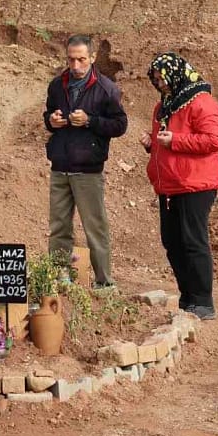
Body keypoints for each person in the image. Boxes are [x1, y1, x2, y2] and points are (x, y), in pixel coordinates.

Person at [140, 52, 218, 320]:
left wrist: (174, 140)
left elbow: (213, 140)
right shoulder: (164, 105)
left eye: (162, 78)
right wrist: (152, 144)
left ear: (176, 74)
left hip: (195, 184)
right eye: (156, 79)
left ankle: (203, 301)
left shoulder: (202, 102)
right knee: (172, 241)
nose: (160, 83)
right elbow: (166, 142)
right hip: (170, 185)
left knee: (193, 241)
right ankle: (188, 298)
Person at [44, 35, 128, 288]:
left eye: (81, 59)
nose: (76, 65)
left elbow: (120, 125)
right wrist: (52, 121)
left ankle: (104, 283)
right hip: (60, 166)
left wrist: (90, 121)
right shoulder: (57, 85)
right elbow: (47, 115)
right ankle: (60, 279)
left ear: (92, 57)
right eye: (71, 60)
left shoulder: (106, 89)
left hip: (88, 169)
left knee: (95, 228)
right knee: (59, 227)